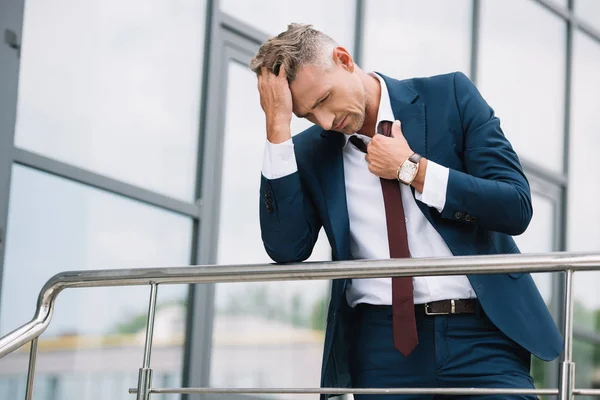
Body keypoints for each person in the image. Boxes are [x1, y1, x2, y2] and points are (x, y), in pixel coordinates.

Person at [251, 23, 563, 400]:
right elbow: (286, 248)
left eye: (322, 100)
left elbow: (515, 206)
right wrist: (278, 128)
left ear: (344, 60)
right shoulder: (311, 151)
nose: (325, 122)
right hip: (380, 348)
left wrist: (414, 170)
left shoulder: (449, 95)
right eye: (306, 115)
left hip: (482, 336)